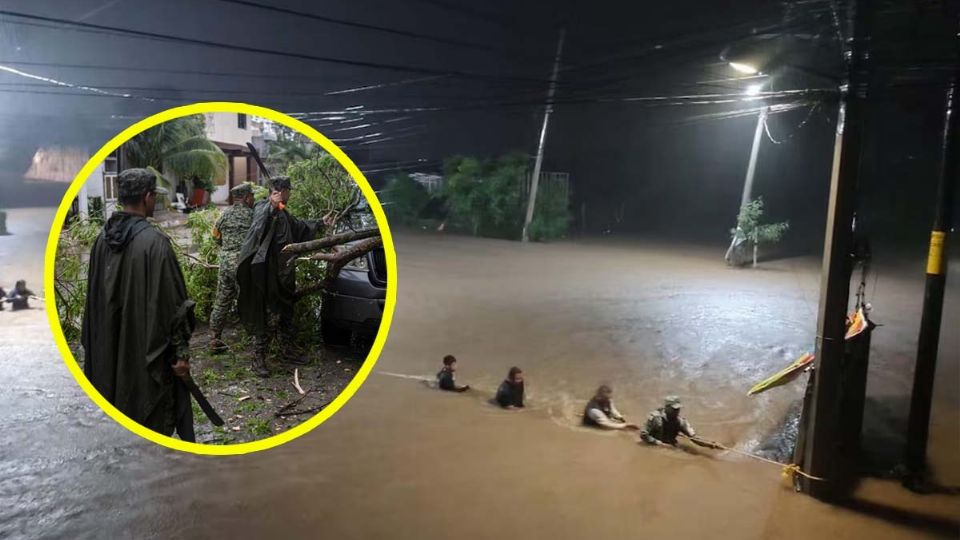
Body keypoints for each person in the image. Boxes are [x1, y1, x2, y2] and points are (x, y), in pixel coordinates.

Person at [81, 168, 195, 441]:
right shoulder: (155, 244)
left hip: (111, 347)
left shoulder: (101, 240)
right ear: (147, 197)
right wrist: (181, 354)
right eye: (154, 196)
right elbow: (174, 307)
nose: (154, 201)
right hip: (146, 351)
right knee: (152, 416)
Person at [236, 176, 332, 377]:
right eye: (289, 191)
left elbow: (299, 227)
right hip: (268, 274)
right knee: (270, 317)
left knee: (286, 311)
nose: (290, 194)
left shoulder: (282, 212)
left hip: (284, 272)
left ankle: (288, 350)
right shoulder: (264, 208)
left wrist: (320, 223)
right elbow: (258, 227)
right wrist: (271, 205)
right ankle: (258, 359)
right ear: (281, 191)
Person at [208, 183, 255, 353]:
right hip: (243, 264)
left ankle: (214, 339)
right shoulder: (252, 215)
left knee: (222, 300)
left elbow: (215, 235)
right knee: (251, 301)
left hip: (225, 262)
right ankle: (257, 343)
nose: (253, 199)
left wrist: (225, 246)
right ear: (246, 197)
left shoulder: (224, 214)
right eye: (252, 196)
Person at [640, 396, 717, 448]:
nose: (677, 411)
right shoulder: (655, 418)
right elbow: (643, 434)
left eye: (678, 409)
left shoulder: (680, 421)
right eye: (674, 409)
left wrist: (710, 444)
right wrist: (657, 443)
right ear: (667, 408)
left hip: (671, 445)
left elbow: (694, 438)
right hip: (655, 444)